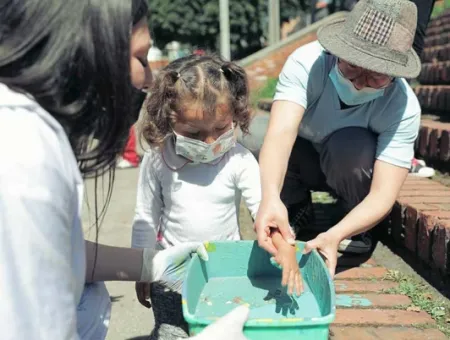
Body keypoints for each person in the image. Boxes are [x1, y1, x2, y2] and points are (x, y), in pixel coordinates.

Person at [0, 1, 250, 339]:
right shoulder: (24, 160)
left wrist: (153, 264)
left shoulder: (30, 138)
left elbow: (61, 253)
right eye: (140, 58)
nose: (149, 79)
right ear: (85, 51)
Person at [131, 54, 303, 339]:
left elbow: (265, 210)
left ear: (235, 114)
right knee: (171, 333)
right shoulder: (158, 160)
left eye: (221, 129)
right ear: (168, 117)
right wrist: (141, 267)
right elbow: (145, 217)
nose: (210, 142)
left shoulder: (238, 160)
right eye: (194, 133)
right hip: (170, 275)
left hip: (223, 273)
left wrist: (284, 247)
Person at [251, 0, 422, 277]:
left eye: (377, 75)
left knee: (351, 145)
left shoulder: (402, 107)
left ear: (396, 74)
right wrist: (269, 196)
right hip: (304, 159)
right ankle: (294, 203)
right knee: (258, 143)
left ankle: (353, 221)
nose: (359, 82)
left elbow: (383, 194)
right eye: (352, 66)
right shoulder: (307, 64)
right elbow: (280, 134)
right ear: (336, 52)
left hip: (348, 167)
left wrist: (336, 234)